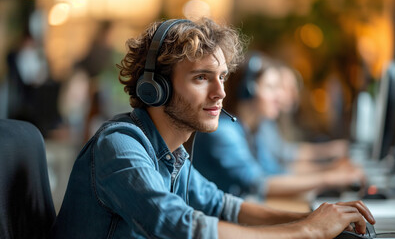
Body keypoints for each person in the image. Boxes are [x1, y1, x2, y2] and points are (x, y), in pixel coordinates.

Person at [51, 18, 374, 239]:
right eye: (201, 77)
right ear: (155, 88)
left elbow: (224, 206)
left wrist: (311, 218)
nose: (220, 92)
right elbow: (179, 225)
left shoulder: (173, 155)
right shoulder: (121, 146)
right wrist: (306, 232)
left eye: (221, 77)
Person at [193, 52, 365, 198]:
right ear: (248, 90)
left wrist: (331, 170)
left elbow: (276, 171)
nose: (279, 97)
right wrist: (329, 178)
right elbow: (260, 184)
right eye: (271, 88)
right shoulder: (223, 131)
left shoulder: (251, 129)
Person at [258, 63, 352, 172]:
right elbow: (279, 168)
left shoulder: (279, 121)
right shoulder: (264, 122)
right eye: (286, 88)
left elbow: (287, 157)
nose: (294, 94)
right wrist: (329, 167)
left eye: (295, 88)